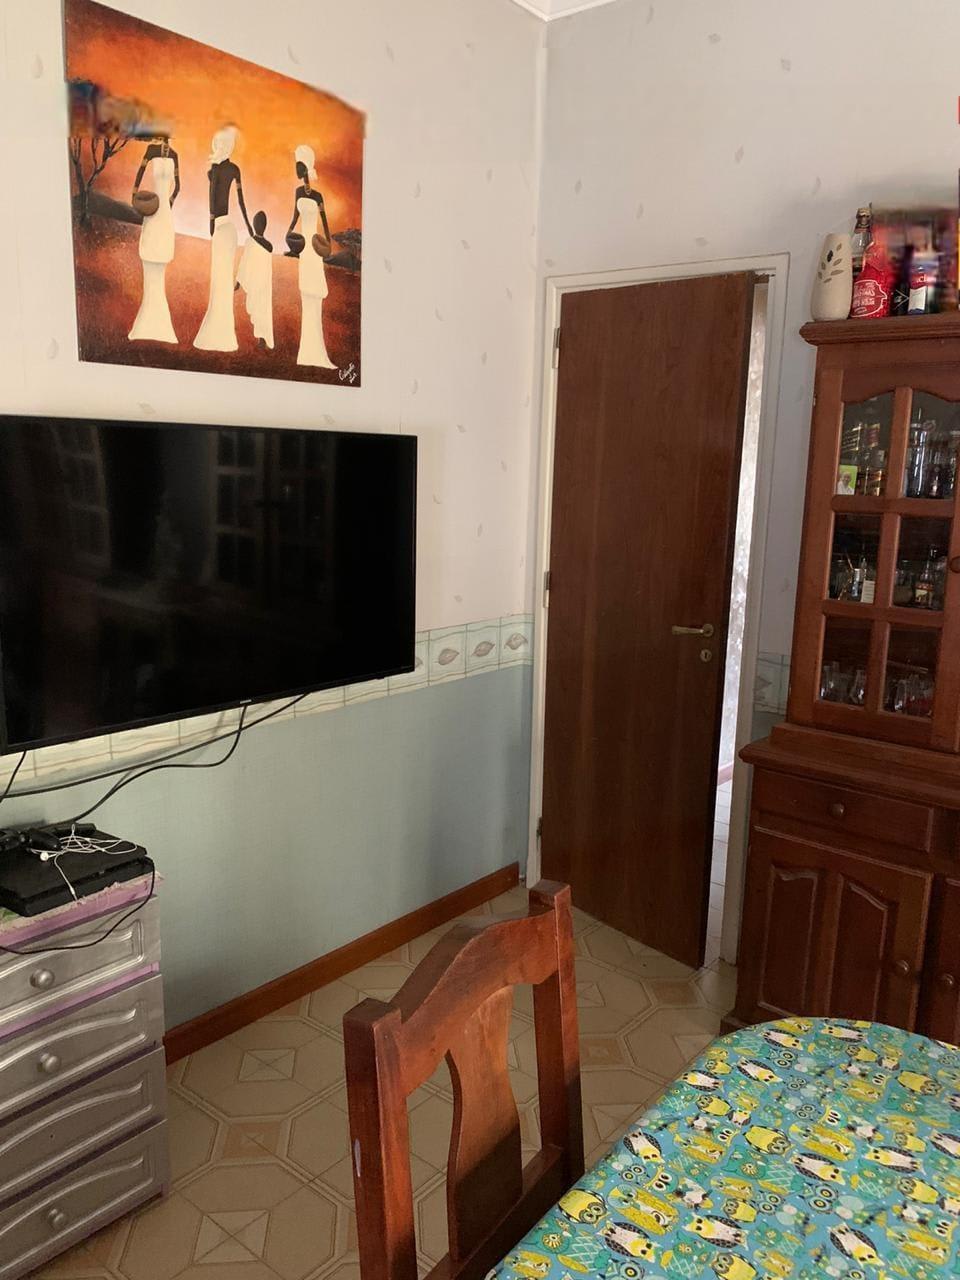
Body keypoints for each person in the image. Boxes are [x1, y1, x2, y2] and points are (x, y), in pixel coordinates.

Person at [194, 125, 252, 352]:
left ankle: (218, 333)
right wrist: (250, 228)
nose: (217, 146)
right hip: (231, 230)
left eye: (220, 142)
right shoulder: (234, 169)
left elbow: (212, 201)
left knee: (219, 281)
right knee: (224, 281)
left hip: (220, 229)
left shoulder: (216, 169)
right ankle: (225, 334)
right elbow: (241, 202)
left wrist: (211, 225)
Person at [287, 145, 336, 369]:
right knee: (306, 293)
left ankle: (316, 351)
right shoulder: (298, 192)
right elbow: (294, 216)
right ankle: (306, 353)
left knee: (314, 293)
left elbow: (325, 224)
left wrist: (328, 245)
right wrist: (288, 234)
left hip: (314, 247)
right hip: (303, 248)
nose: (296, 169)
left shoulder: (318, 196)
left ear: (306, 167)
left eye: (299, 165)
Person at [128, 135, 180, 343]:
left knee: (159, 268)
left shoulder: (174, 155)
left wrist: (167, 206)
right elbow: (138, 177)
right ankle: (148, 324)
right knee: (149, 266)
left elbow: (178, 187)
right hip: (153, 211)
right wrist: (135, 198)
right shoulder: (151, 150)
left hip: (163, 215)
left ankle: (158, 326)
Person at [237, 210, 274, 349]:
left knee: (258, 309)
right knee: (263, 309)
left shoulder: (250, 242)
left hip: (255, 281)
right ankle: (262, 339)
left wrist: (238, 281)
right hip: (264, 283)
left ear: (255, 225)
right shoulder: (269, 246)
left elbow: (244, 262)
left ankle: (262, 339)